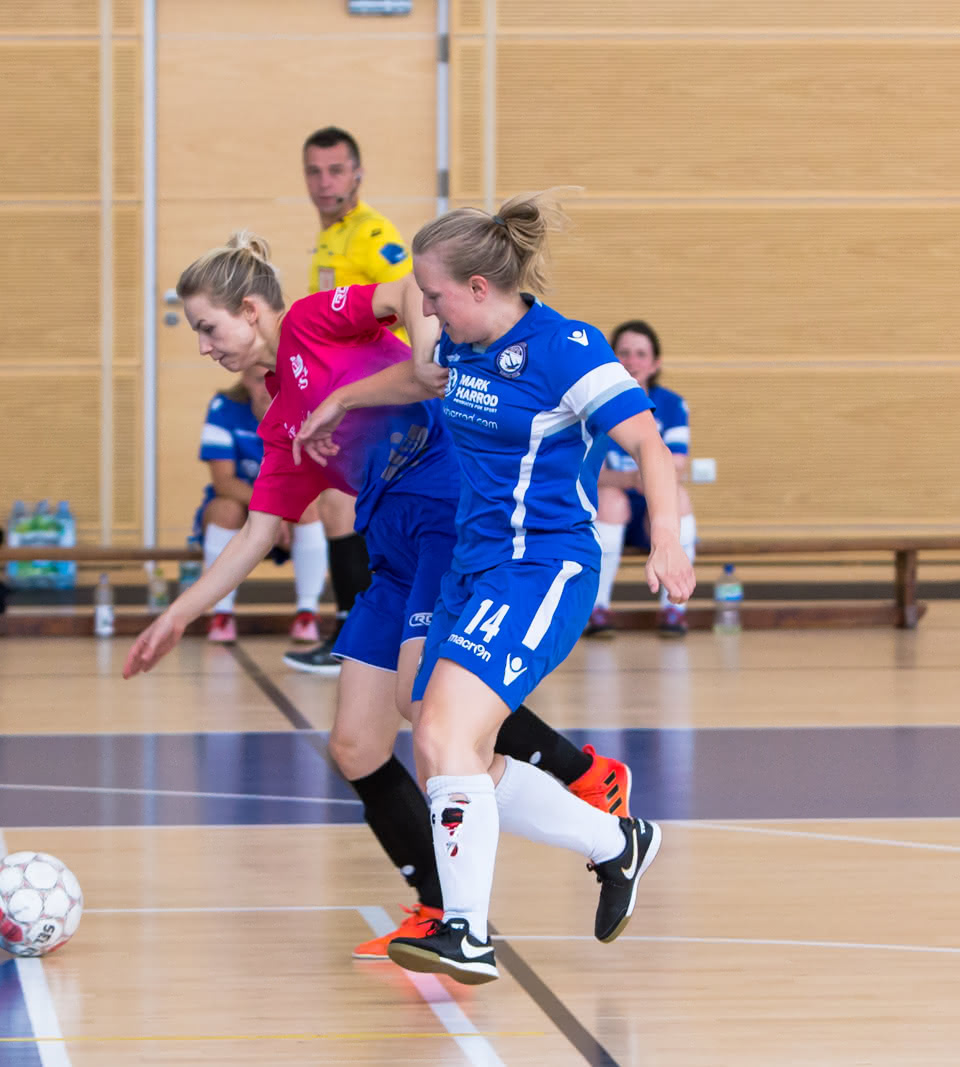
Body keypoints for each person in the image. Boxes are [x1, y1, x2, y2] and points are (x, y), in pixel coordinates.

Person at [124, 234, 635, 963]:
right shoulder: (282, 422)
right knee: (357, 744)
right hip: (390, 554)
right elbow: (255, 533)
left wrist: (426, 356)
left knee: (433, 720)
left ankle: (518, 869)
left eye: (208, 327)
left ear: (250, 310)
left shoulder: (310, 320)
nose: (204, 346)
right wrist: (177, 615)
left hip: (446, 522)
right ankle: (509, 871)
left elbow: (404, 291)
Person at [295, 192, 696, 984]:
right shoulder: (462, 342)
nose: (425, 309)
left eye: (434, 294)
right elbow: (418, 378)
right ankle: (617, 842)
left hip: (542, 567)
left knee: (443, 734)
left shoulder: (566, 349)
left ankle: (466, 931)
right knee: (448, 744)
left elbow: (648, 442)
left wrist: (668, 540)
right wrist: (341, 399)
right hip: (472, 568)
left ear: (479, 288)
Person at [285, 126, 415, 677]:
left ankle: (353, 638)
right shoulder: (330, 237)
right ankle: (357, 635)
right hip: (347, 394)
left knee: (342, 505)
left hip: (377, 395)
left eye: (336, 170)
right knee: (340, 506)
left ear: (358, 174)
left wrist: (387, 370)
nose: (324, 182)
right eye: (314, 171)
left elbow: (416, 296)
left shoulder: (371, 235)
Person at [194, 362, 327, 644]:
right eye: (259, 380)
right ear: (244, 379)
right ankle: (222, 613)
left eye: (276, 380)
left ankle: (307, 613)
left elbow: (309, 481)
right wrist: (270, 512)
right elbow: (224, 482)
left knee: (308, 508)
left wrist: (278, 515)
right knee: (225, 509)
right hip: (242, 506)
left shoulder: (306, 411)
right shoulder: (223, 408)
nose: (268, 388)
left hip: (288, 509)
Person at [585, 320, 697, 637]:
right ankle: (598, 609)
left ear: (655, 364)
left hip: (654, 514)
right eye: (623, 353)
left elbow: (676, 466)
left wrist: (638, 478)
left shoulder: (671, 404)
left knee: (679, 497)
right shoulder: (593, 403)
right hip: (608, 508)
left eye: (640, 354)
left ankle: (675, 607)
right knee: (610, 501)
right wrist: (635, 477)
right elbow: (588, 472)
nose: (631, 361)